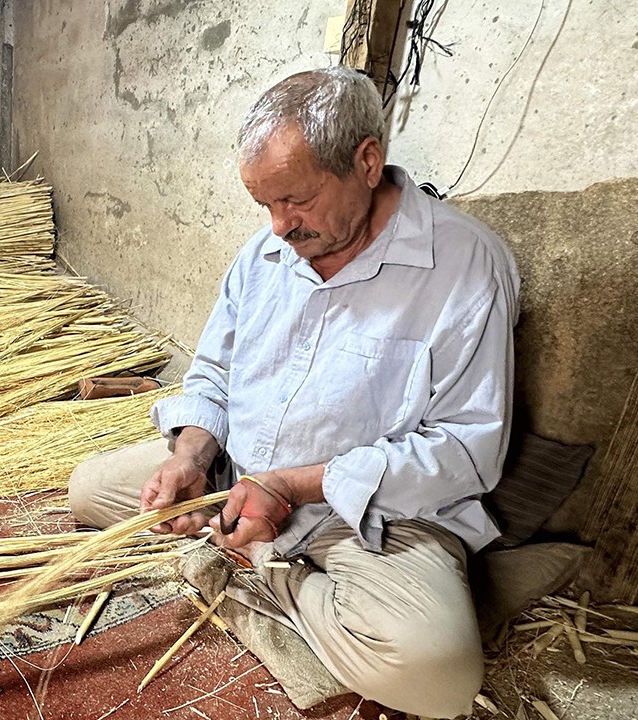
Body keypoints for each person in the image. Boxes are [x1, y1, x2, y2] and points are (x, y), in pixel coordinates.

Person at [68, 66, 519, 718]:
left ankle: (256, 557)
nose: (279, 226)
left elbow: (465, 451)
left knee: (437, 676)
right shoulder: (264, 255)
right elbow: (213, 373)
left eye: (296, 201)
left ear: (367, 161)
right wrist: (192, 457)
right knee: (89, 489)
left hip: (369, 517)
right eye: (265, 205)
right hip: (237, 472)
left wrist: (290, 489)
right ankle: (252, 544)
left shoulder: (467, 265)